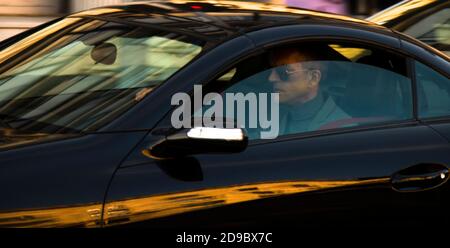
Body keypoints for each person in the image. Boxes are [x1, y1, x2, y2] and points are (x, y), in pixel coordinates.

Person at [268, 46, 350, 135]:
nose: (271, 78)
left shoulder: (341, 130)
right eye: (270, 71)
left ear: (313, 78)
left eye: (282, 71)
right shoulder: (273, 116)